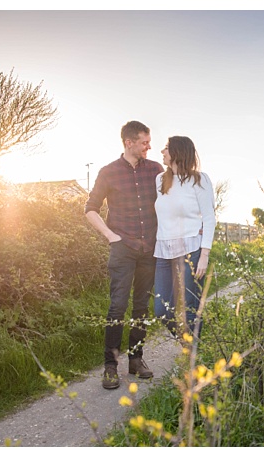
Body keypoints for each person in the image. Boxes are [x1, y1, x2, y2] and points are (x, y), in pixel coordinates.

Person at [84, 120, 164, 390]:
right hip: (122, 248)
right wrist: (110, 236)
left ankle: (136, 360)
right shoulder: (108, 172)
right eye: (144, 142)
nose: (148, 146)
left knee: (142, 306)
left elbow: (168, 202)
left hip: (149, 250)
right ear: (129, 142)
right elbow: (90, 208)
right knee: (118, 306)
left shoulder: (155, 169)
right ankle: (110, 365)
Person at [153, 136, 216, 342]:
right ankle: (185, 342)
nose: (162, 152)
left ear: (177, 152)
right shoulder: (161, 180)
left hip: (191, 250)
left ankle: (194, 358)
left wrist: (204, 254)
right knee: (161, 310)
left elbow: (208, 218)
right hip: (164, 251)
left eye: (166, 148)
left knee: (190, 308)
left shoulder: (200, 180)